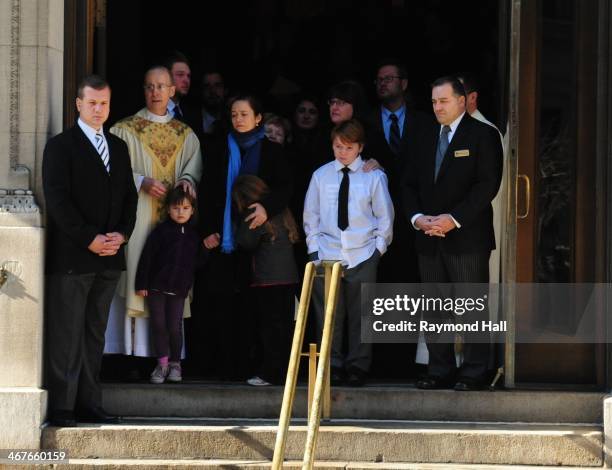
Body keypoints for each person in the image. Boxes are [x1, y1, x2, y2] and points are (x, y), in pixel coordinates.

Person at [43, 75, 138, 426]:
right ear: (78, 104)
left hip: (111, 257)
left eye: (104, 104)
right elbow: (58, 200)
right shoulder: (60, 146)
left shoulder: (118, 146)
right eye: (92, 103)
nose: (99, 110)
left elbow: (130, 197)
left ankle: (88, 402)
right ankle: (62, 407)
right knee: (67, 333)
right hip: (73, 257)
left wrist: (122, 235)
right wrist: (89, 238)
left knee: (94, 332)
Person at [402, 76, 503, 391]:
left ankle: (474, 370)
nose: (438, 107)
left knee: (471, 306)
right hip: (428, 235)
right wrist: (418, 218)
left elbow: (487, 185)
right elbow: (406, 182)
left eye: (443, 101)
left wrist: (454, 219)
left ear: (462, 100)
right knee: (434, 307)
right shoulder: (422, 134)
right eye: (433, 101)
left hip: (467, 237)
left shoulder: (483, 135)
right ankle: (439, 368)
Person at [104, 65, 202, 360]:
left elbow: (193, 168)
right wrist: (140, 181)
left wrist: (187, 180)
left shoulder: (185, 134)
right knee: (138, 274)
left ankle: (167, 359)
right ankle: (131, 353)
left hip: (173, 220)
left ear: (172, 90)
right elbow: (111, 170)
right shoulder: (124, 129)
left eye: (161, 86)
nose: (155, 92)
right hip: (140, 216)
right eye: (149, 86)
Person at [194, 93, 292, 379]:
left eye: (244, 114)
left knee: (255, 310)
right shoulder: (217, 148)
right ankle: (226, 367)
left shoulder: (272, 151)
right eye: (234, 114)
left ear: (258, 118)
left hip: (257, 240)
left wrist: (267, 207)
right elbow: (207, 190)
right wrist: (206, 231)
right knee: (222, 305)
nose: (238, 119)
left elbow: (286, 187)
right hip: (222, 240)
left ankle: (255, 366)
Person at [303, 119, 394, 386]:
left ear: (360, 147)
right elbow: (312, 215)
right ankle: (331, 365)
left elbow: (384, 217)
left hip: (362, 252)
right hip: (328, 252)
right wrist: (314, 251)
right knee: (328, 315)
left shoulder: (373, 176)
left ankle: (358, 366)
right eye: (338, 146)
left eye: (348, 147)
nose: (342, 152)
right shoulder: (321, 175)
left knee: (362, 314)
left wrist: (378, 249)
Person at [367, 58, 430, 284]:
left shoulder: (424, 121)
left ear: (403, 84)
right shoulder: (366, 121)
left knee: (411, 275)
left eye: (389, 79)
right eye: (379, 80)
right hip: (376, 211)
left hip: (414, 210)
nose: (382, 83)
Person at [233, 175, 299, 386]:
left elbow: (245, 242)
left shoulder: (255, 212)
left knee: (270, 329)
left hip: (267, 279)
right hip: (289, 277)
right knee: (285, 327)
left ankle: (270, 373)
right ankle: (286, 372)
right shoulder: (281, 209)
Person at [135, 186, 201, 384]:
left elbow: (196, 263)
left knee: (174, 327)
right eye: (176, 208)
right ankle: (161, 364)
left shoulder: (193, 236)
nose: (180, 212)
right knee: (159, 325)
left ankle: (175, 364)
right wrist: (142, 283)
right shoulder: (160, 231)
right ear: (168, 209)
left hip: (179, 290)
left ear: (192, 210)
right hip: (156, 288)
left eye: (185, 208)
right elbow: (147, 258)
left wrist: (206, 248)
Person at [164, 51, 203, 139]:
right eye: (180, 74)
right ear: (166, 76)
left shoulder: (193, 114)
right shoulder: (154, 111)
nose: (186, 80)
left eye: (188, 76)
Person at [201, 70, 228, 137]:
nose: (212, 91)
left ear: (225, 90)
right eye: (207, 86)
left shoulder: (232, 120)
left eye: (217, 85)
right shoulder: (190, 122)